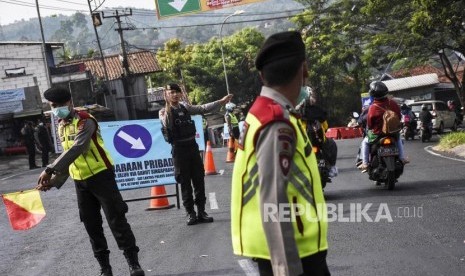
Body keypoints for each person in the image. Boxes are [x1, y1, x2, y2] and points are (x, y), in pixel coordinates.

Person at [231, 31, 330, 276]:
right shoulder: (276, 122)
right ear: (304, 70)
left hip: (287, 245)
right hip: (293, 251)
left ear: (262, 75)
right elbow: (273, 201)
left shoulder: (263, 112)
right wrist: (286, 269)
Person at [36, 87, 144, 276]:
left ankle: (133, 264)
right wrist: (53, 182)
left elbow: (77, 148)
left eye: (60, 105)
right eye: (53, 106)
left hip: (102, 176)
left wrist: (50, 169)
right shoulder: (62, 124)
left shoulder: (85, 120)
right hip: (81, 182)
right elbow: (70, 159)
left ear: (69, 102)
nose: (57, 109)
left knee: (116, 220)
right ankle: (105, 268)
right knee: (91, 225)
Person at [159, 83, 233, 225]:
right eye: (171, 92)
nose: (174, 95)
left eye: (177, 92)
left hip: (192, 147)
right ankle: (190, 213)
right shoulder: (163, 111)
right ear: (166, 95)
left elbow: (202, 108)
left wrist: (221, 102)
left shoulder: (185, 107)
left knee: (198, 180)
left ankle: (201, 212)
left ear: (180, 94)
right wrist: (168, 104)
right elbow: (166, 123)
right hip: (179, 149)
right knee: (185, 183)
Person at [358, 81, 408, 171]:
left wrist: (371, 128)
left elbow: (370, 124)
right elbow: (399, 116)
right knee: (399, 139)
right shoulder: (392, 103)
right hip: (393, 132)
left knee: (365, 143)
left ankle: (365, 163)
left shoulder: (372, 107)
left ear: (373, 94)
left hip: (377, 135)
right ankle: (402, 158)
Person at [296, 90, 338, 178]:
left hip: (303, 141)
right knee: (332, 145)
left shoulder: (296, 111)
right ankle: (332, 167)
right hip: (320, 141)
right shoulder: (319, 110)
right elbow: (325, 126)